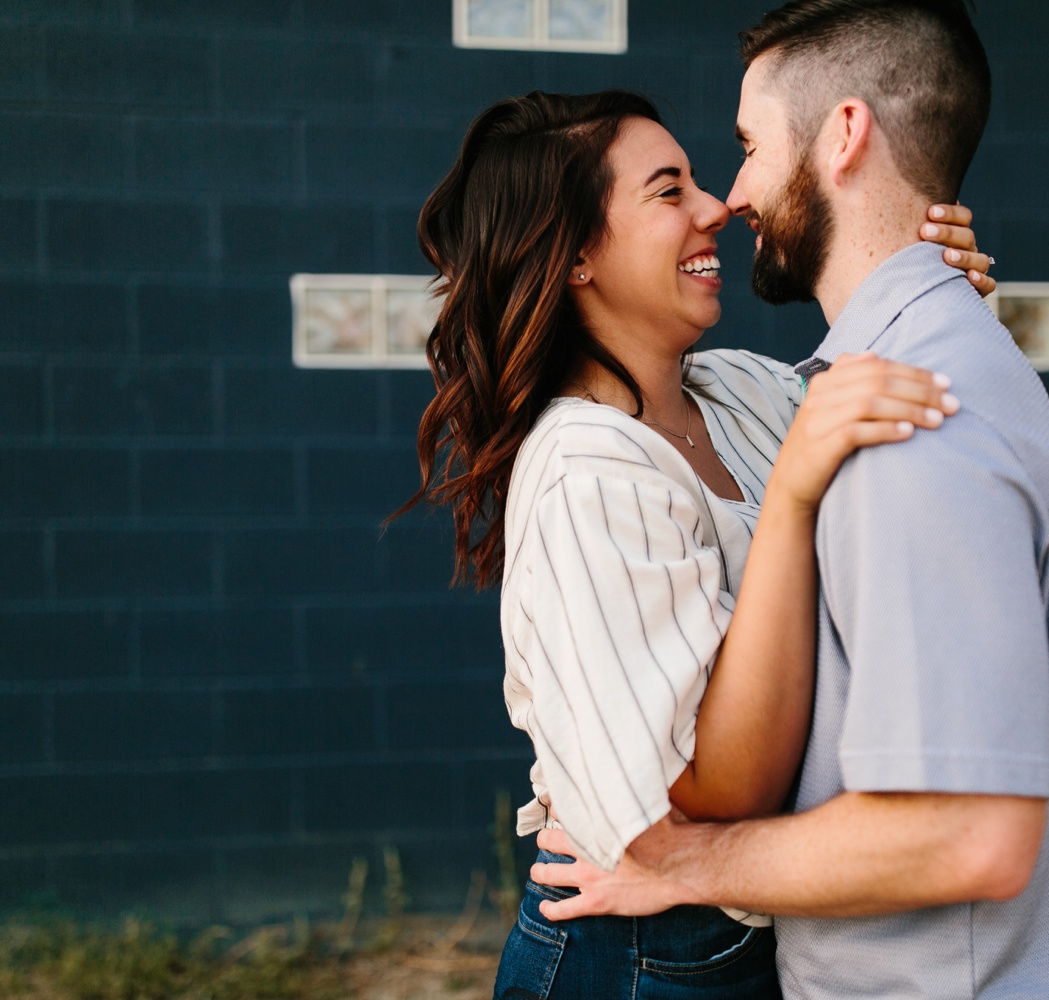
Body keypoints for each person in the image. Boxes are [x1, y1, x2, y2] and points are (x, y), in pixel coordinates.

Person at [530, 3, 1049, 999]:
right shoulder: (901, 372)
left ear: (844, 134)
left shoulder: (909, 418)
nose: (733, 198)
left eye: (748, 148)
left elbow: (965, 834)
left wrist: (674, 858)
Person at [397, 87, 992, 998]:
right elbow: (692, 803)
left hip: (743, 927)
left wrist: (937, 299)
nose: (718, 206)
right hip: (641, 957)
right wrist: (670, 858)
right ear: (578, 256)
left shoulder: (740, 391)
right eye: (668, 190)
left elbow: (906, 459)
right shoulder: (588, 474)